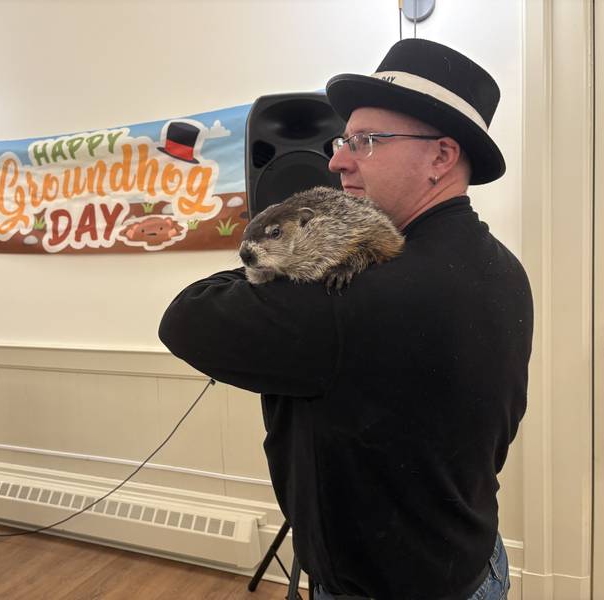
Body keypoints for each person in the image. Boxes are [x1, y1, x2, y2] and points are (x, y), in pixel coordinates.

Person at [159, 38, 532, 600]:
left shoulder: (351, 292)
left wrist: (278, 259)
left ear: (441, 156)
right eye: (343, 140)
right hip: (473, 562)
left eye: (367, 141)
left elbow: (185, 318)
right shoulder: (505, 269)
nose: (337, 159)